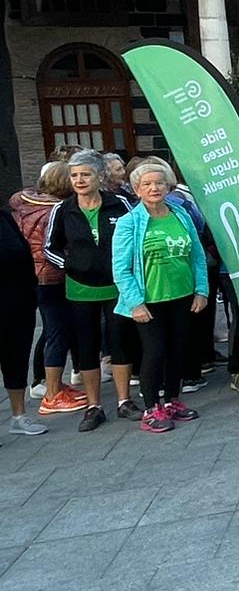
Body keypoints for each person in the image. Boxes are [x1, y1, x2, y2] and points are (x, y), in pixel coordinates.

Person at [111, 159, 208, 434]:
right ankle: (152, 408)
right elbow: (120, 268)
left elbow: (197, 255)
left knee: (178, 350)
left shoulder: (181, 214)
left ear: (168, 186)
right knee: (154, 352)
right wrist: (135, 303)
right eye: (147, 184)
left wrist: (201, 290)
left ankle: (172, 400)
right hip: (149, 300)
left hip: (182, 295)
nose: (154, 188)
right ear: (137, 189)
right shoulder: (129, 222)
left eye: (159, 183)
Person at [44, 152, 137, 430]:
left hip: (117, 286)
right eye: (74, 175)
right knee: (86, 347)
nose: (79, 180)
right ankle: (93, 406)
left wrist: (129, 267)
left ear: (100, 176)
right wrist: (71, 265)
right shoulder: (63, 210)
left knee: (120, 342)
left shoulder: (119, 203)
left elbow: (136, 234)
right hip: (81, 289)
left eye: (85, 174)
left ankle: (124, 401)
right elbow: (49, 247)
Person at [11, 161, 81, 419]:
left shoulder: (25, 205)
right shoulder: (56, 210)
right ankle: (52, 394)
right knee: (58, 333)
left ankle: (54, 385)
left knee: (54, 331)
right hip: (52, 276)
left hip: (35, 276)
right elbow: (53, 246)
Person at [2, 206, 44, 437]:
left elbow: (23, 252)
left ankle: (19, 416)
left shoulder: (4, 217)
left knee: (16, 359)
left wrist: (31, 291)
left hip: (17, 302)